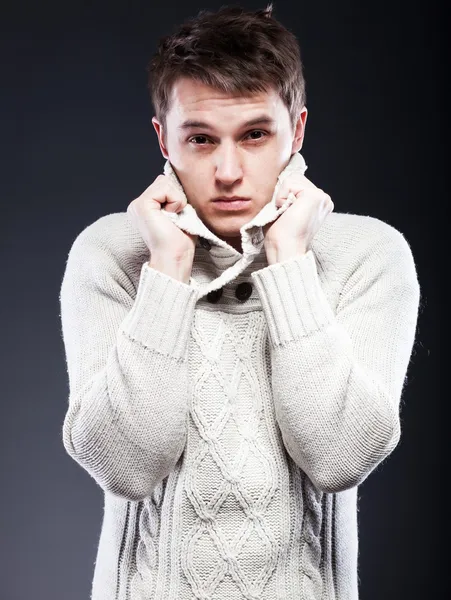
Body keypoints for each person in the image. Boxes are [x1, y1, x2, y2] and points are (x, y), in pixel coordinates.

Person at [59, 5, 421, 600]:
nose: (228, 171)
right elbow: (125, 465)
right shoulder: (113, 254)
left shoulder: (367, 255)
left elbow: (338, 457)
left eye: (255, 135)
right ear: (163, 139)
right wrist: (169, 272)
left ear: (297, 131)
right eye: (200, 139)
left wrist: (289, 262)